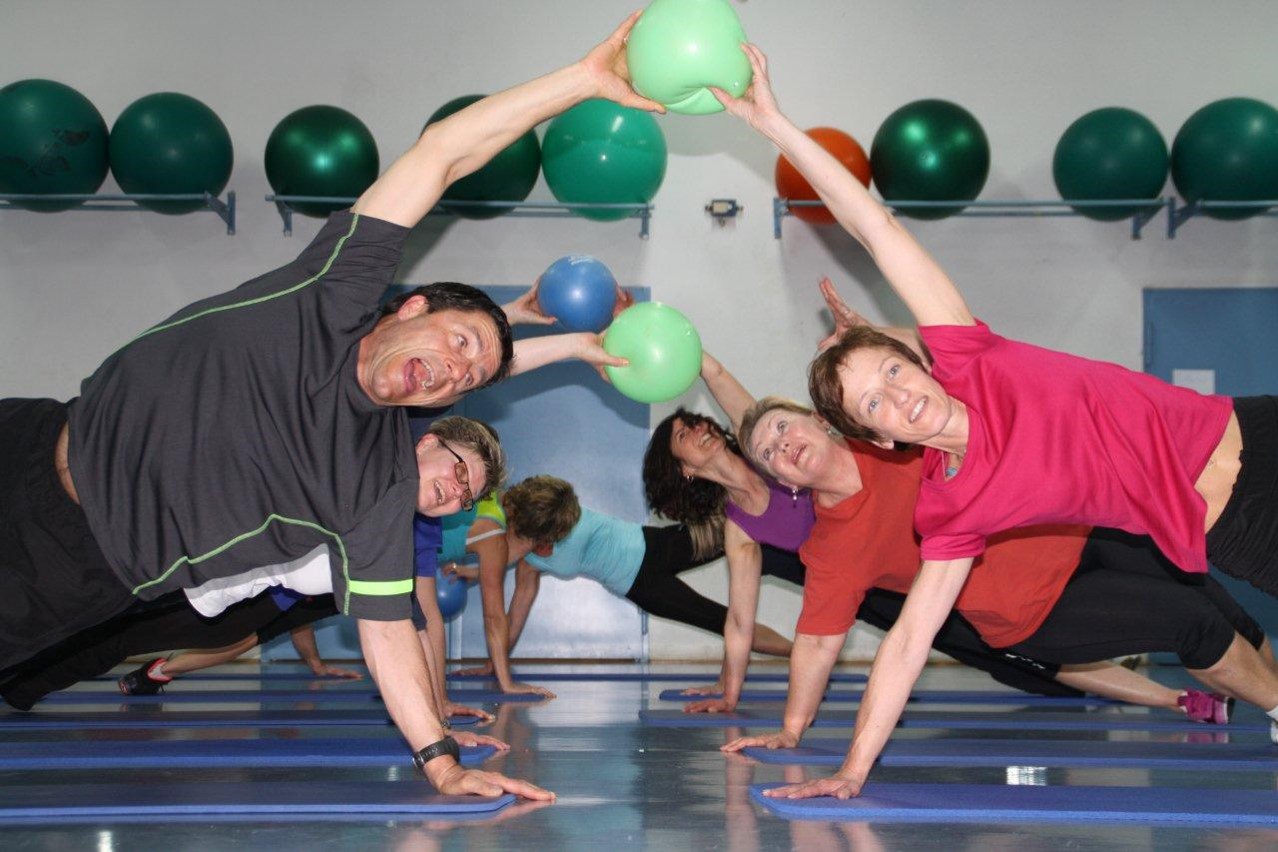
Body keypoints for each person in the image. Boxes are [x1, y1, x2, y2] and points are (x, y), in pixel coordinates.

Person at [0, 15, 667, 800]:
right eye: (456, 340)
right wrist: (582, 82)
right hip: (29, 436)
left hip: (71, 569)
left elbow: (390, 633)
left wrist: (441, 760)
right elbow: (443, 152)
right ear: (409, 306)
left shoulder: (377, 488)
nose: (454, 367)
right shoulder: (328, 293)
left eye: (471, 373)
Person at [715, 42, 1278, 796]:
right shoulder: (955, 506)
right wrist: (851, 770)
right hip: (1236, 526)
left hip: (1255, 431)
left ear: (917, 357)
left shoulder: (971, 352)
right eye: (874, 404)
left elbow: (874, 228)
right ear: (880, 438)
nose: (898, 394)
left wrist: (773, 123)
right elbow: (910, 640)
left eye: (892, 371)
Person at [643, 354, 1214, 716]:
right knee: (1018, 661)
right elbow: (742, 620)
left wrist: (674, 345)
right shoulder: (751, 517)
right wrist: (731, 693)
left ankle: (1176, 681)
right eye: (683, 437)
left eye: (695, 421)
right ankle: (1166, 696)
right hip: (882, 584)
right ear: (684, 472)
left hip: (936, 541)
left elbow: (738, 395)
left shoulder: (779, 443)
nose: (697, 429)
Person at [459, 475, 795, 672]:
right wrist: (497, 661)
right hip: (642, 586)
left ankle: (797, 518)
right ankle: (802, 654)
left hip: (658, 544)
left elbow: (504, 555)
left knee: (735, 526)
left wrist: (478, 571)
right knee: (722, 621)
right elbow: (514, 613)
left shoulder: (557, 516)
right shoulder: (529, 563)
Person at [438, 494, 557, 699]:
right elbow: (494, 617)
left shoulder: (492, 496)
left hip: (400, 532)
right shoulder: (494, 538)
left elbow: (496, 563)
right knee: (425, 618)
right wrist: (507, 684)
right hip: (398, 537)